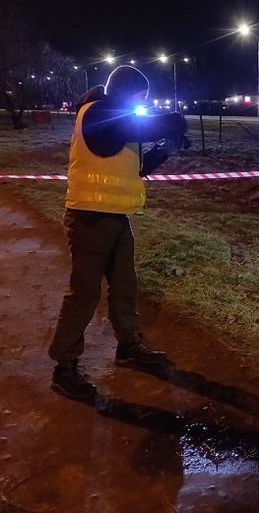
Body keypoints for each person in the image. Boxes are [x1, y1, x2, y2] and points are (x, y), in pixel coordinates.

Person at [49, 65, 190, 402]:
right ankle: (64, 366)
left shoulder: (117, 119)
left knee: (125, 283)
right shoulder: (96, 113)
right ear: (123, 93)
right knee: (85, 290)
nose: (138, 106)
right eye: (137, 99)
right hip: (89, 218)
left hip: (115, 216)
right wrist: (170, 121)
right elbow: (127, 128)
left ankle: (128, 346)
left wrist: (164, 149)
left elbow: (133, 167)